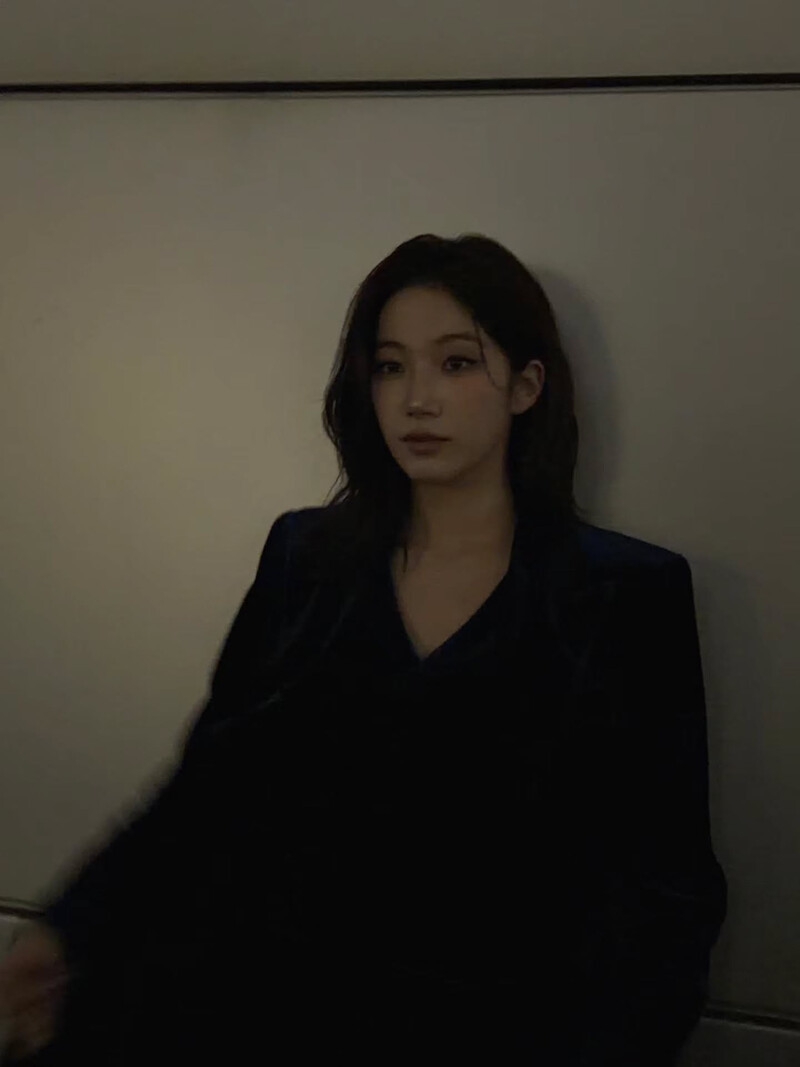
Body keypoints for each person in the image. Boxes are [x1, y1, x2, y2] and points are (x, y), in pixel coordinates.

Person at [0, 233, 727, 1065]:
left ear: (527, 385)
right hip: (262, 1011)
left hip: (500, 1032)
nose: (417, 398)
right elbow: (206, 790)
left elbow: (666, 893)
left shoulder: (625, 594)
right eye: (390, 366)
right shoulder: (307, 560)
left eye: (456, 363)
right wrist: (68, 926)